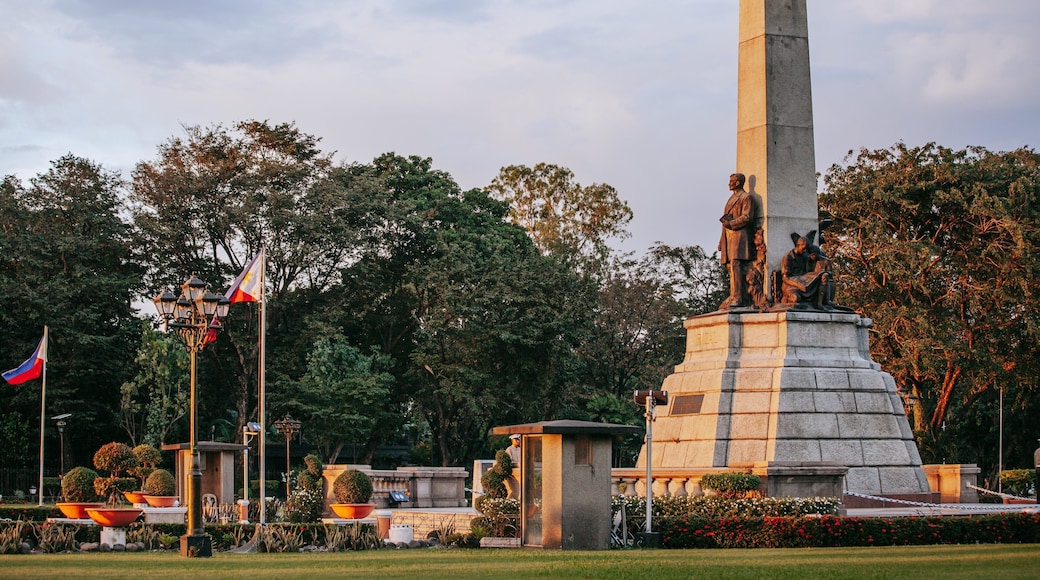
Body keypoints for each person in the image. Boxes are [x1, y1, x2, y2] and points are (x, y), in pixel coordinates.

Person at [718, 173, 756, 309]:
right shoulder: (731, 198)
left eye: (732, 181)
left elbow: (747, 217)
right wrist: (721, 241)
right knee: (729, 266)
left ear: (739, 182)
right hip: (728, 237)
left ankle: (739, 297)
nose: (729, 183)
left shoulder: (746, 197)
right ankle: (734, 294)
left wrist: (732, 223)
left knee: (736, 264)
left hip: (739, 235)